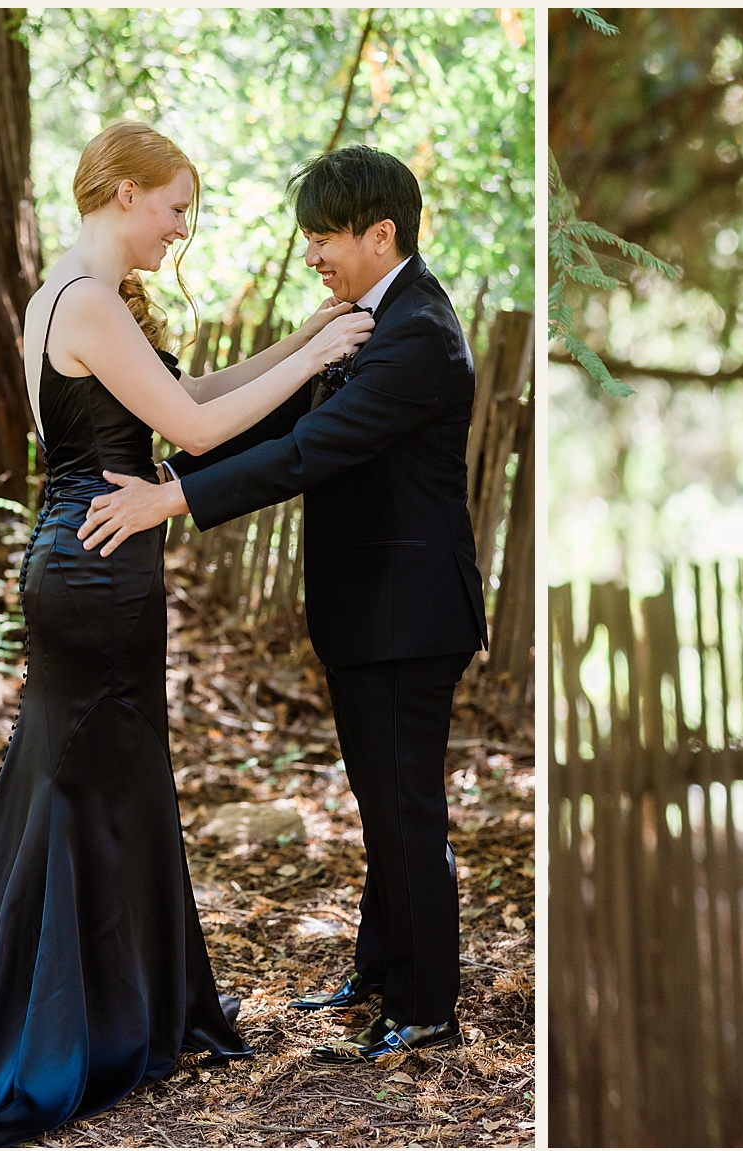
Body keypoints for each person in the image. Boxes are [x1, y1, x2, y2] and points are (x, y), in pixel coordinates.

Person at [0, 122, 375, 1147]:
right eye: (174, 205)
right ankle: (65, 1022)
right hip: (94, 572)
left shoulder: (63, 298)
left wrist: (300, 341)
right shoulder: (88, 302)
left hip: (91, 564)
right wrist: (320, 350)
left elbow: (180, 397)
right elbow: (190, 436)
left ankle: (115, 1005)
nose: (180, 229)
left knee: (107, 782)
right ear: (124, 191)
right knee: (86, 784)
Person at [79, 144, 488, 1063]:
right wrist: (172, 469)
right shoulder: (364, 318)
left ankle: (425, 1004)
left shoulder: (420, 331)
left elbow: (314, 452)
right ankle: (381, 970)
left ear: (381, 235)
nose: (311, 255)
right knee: (380, 797)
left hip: (409, 616)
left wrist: (168, 502)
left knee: (404, 806)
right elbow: (278, 420)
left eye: (323, 238)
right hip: (370, 609)